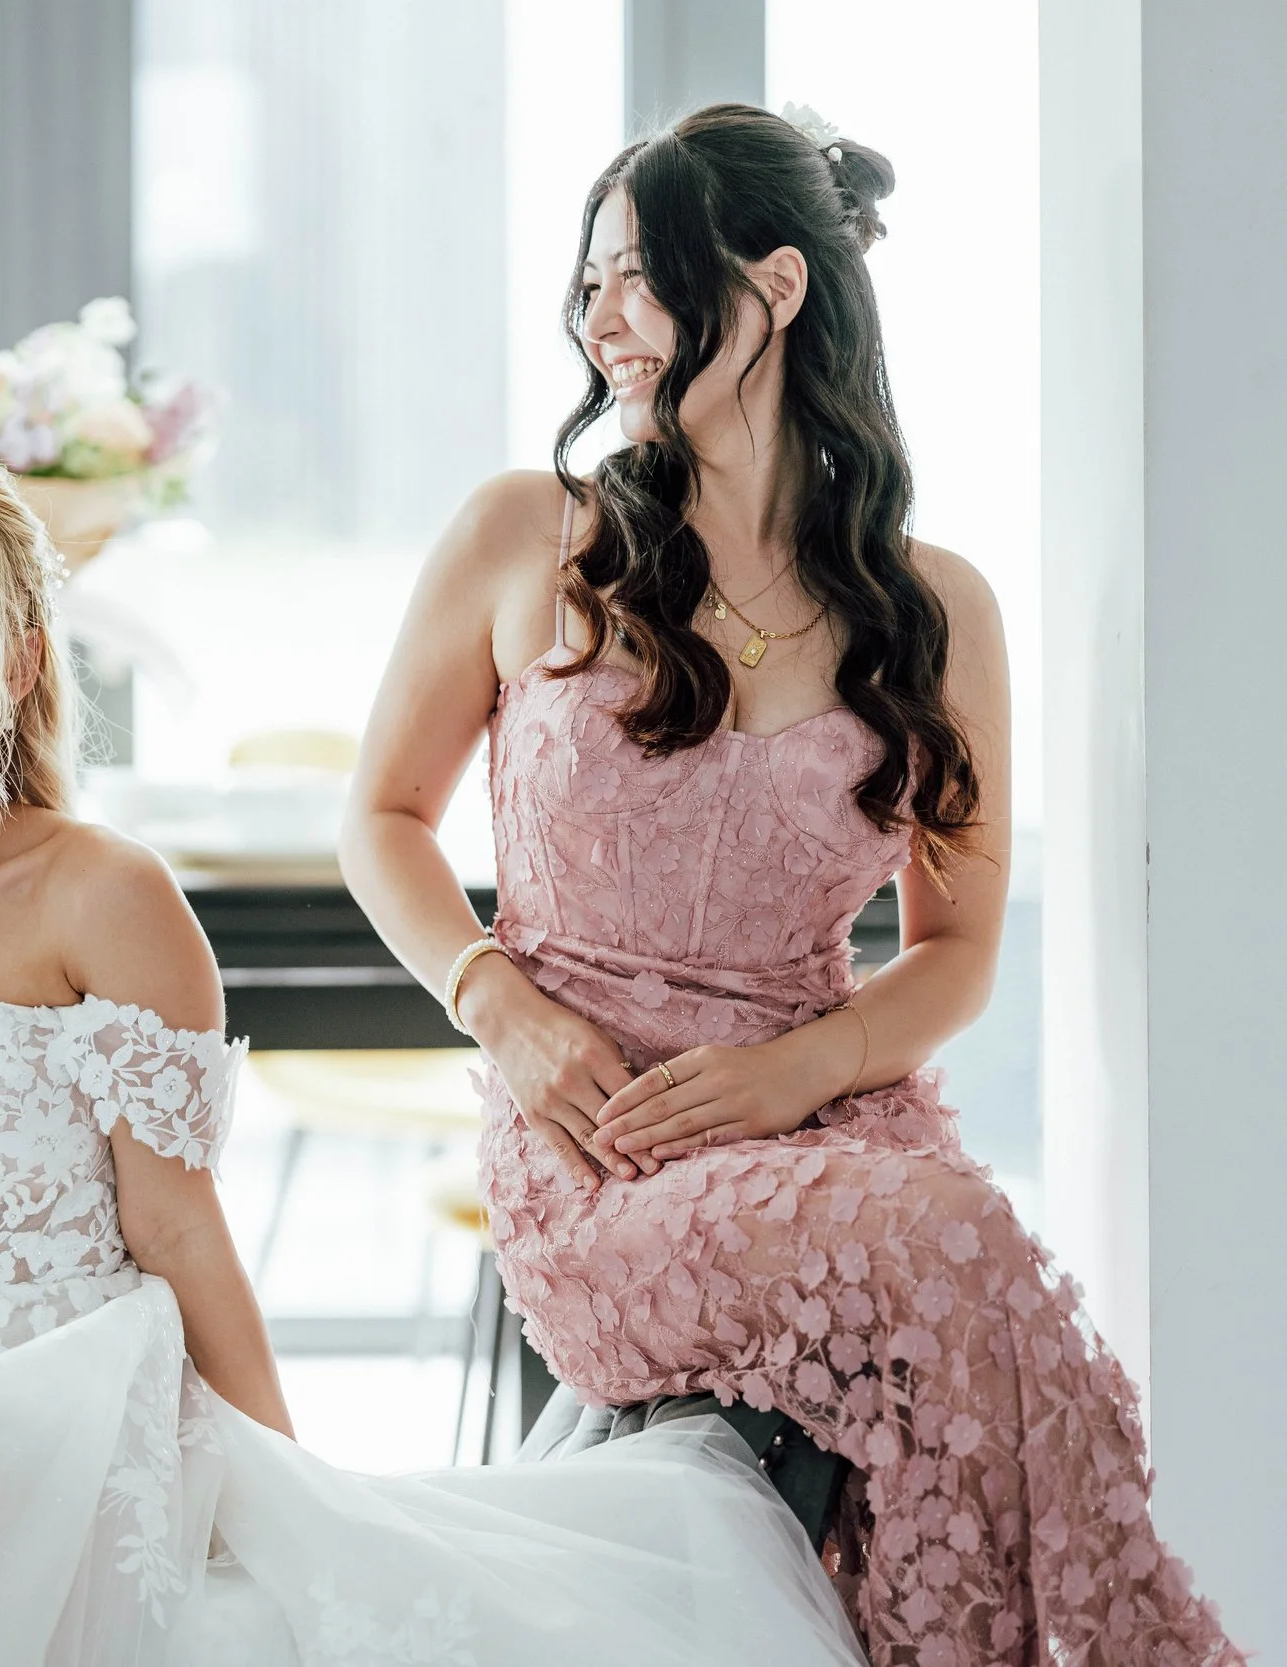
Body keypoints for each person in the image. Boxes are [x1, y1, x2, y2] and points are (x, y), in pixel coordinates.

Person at [0, 452, 867, 1667]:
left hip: (72, 1400)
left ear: (21, 665)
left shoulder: (101, 891)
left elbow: (178, 1224)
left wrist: (287, 1495)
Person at [338, 102, 1242, 1666]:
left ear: (771, 289)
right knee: (949, 1250)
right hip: (597, 1138)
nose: (598, 315)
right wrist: (501, 1009)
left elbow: (954, 949)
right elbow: (379, 817)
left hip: (833, 1102)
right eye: (591, 279)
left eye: (639, 275)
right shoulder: (521, 535)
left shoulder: (933, 606)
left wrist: (795, 1073)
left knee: (948, 1259)